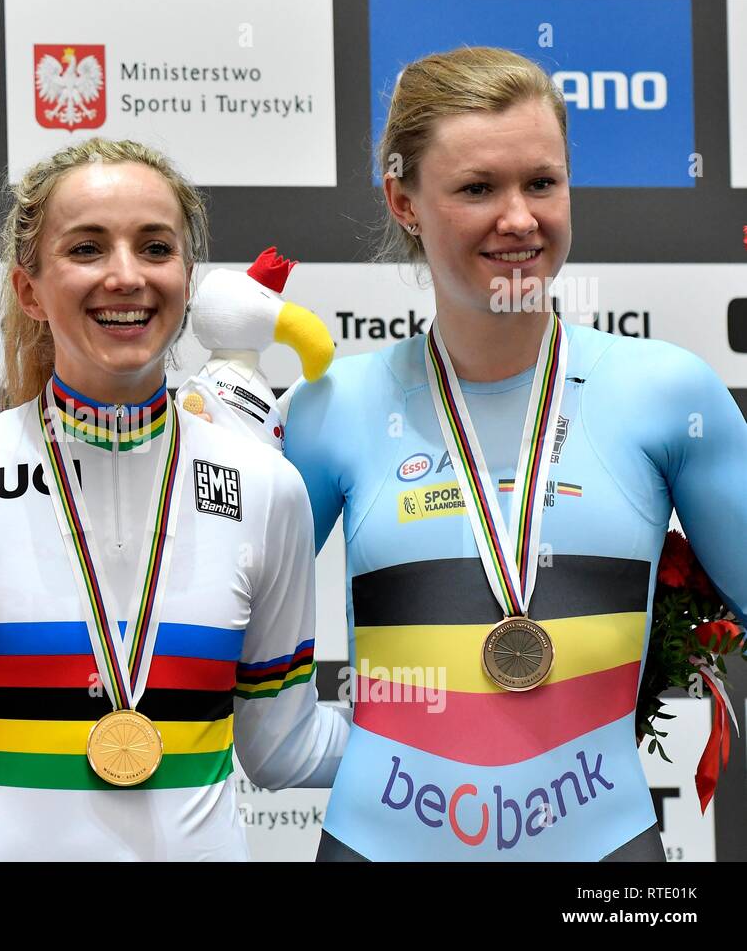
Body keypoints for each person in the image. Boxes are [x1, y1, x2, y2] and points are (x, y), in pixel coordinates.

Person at [283, 46, 747, 861]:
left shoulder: (670, 393)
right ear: (404, 200)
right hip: (377, 843)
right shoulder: (332, 409)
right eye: (476, 189)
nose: (520, 219)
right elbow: (212, 635)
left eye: (542, 182)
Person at [0, 137, 349, 860]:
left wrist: (468, 729)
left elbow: (284, 751)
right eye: (87, 249)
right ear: (29, 288)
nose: (126, 277)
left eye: (155, 248)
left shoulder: (266, 489)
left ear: (186, 277)